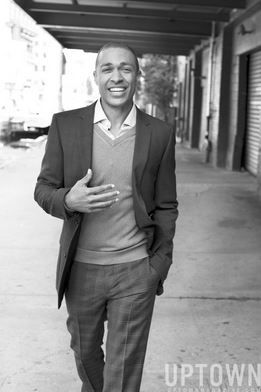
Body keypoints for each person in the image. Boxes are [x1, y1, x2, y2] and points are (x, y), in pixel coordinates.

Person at [34, 42, 178, 392]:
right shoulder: (66, 126)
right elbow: (43, 189)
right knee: (85, 356)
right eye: (108, 68)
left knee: (124, 368)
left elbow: (167, 205)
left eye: (126, 68)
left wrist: (158, 264)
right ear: (96, 75)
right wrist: (69, 199)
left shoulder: (158, 133)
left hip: (135, 269)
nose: (117, 76)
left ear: (136, 76)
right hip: (82, 268)